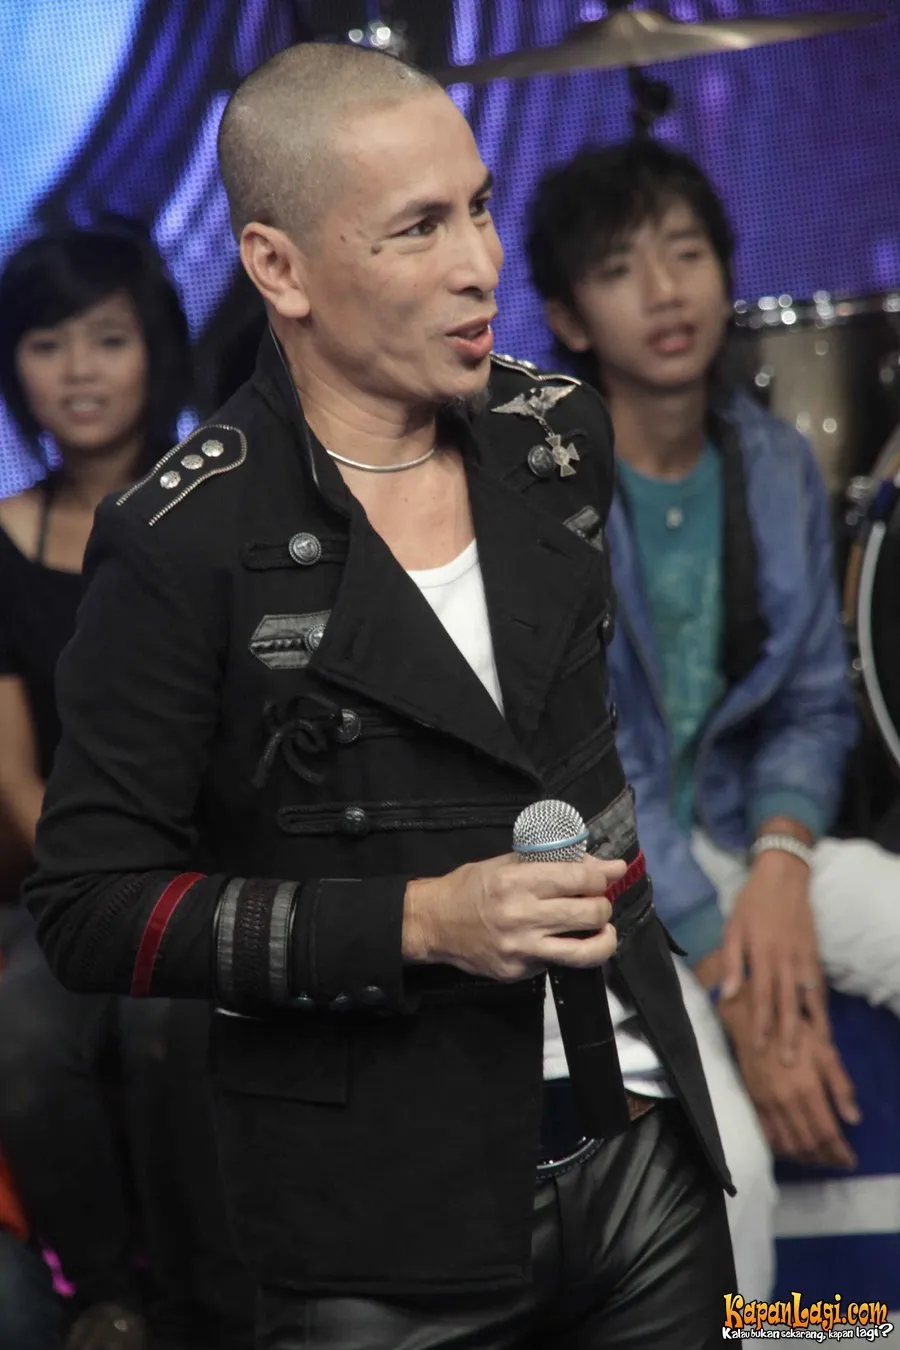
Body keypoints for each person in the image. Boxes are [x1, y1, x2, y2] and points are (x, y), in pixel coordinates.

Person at [25, 46, 736, 1350]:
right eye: (419, 228)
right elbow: (90, 906)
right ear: (278, 267)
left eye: (479, 208)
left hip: (642, 1150)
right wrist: (416, 922)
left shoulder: (556, 436)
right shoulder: (182, 540)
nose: (480, 265)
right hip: (381, 1223)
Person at [525, 137, 900, 1302]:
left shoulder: (773, 460)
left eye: (685, 254)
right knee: (725, 1168)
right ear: (568, 317)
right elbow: (588, 757)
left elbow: (812, 704)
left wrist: (781, 865)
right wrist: (736, 977)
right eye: (619, 269)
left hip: (748, 836)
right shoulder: (544, 496)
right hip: (606, 888)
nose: (665, 290)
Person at [0, 225, 253, 1349]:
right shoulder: (3, 540)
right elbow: (13, 775)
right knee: (23, 1035)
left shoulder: (226, 509)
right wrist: (100, 887)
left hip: (214, 874)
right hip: (66, 887)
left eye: (107, 338)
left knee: (172, 1027)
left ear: (156, 345)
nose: (79, 371)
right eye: (45, 343)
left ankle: (214, 1315)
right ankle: (108, 1309)